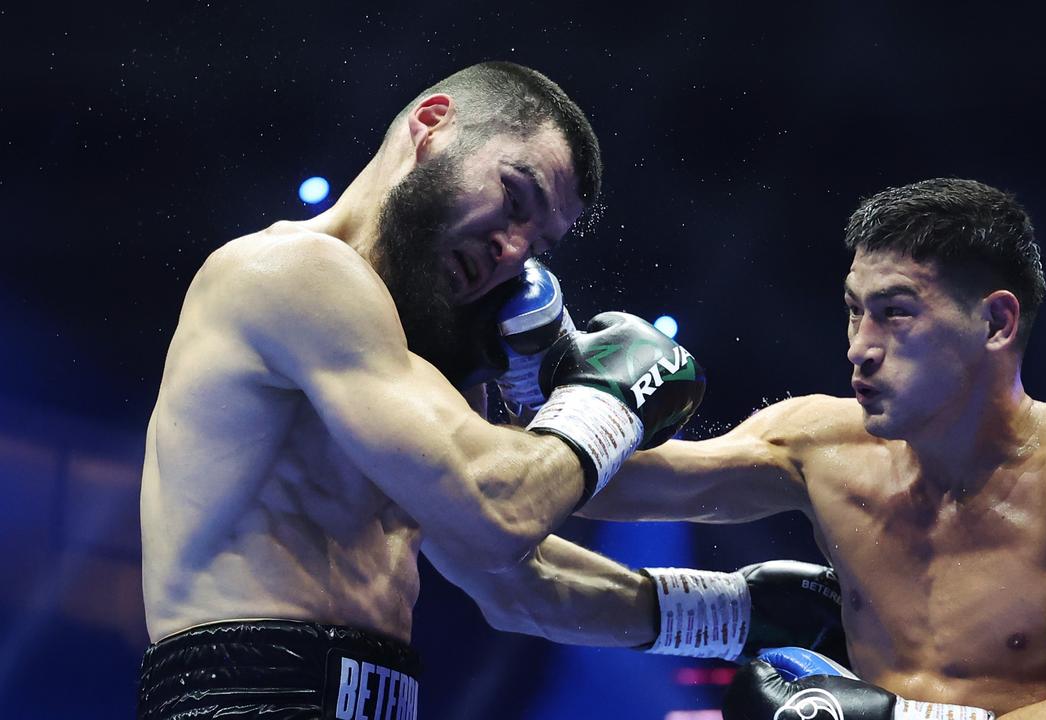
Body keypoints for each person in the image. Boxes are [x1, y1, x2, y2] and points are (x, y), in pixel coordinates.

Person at [453, 179, 1046, 720]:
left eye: (896, 314)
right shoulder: (821, 443)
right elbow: (627, 487)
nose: (860, 348)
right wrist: (543, 391)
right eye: (853, 312)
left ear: (997, 323)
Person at [135, 61, 710, 719]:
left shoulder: (423, 367)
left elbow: (519, 582)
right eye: (514, 198)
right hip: (245, 696)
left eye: (537, 245)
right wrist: (609, 398)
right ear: (432, 125)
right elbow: (502, 513)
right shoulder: (291, 274)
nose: (513, 249)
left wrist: (739, 611)